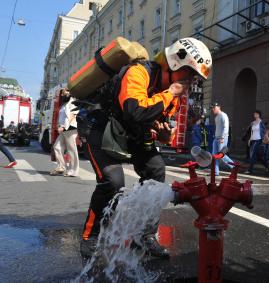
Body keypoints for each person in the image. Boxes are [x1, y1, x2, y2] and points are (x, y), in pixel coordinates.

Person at [79, 37, 212, 259]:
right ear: (175, 63)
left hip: (133, 134)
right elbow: (135, 110)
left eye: (194, 78)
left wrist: (163, 134)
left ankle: (144, 235)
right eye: (189, 75)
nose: (190, 82)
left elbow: (157, 122)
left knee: (156, 171)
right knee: (112, 182)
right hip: (102, 128)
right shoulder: (139, 73)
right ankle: (89, 237)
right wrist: (171, 92)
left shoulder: (176, 93)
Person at [50, 88, 80, 177]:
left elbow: (72, 115)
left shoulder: (73, 102)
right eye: (62, 93)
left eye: (65, 92)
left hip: (70, 128)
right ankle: (61, 167)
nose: (63, 94)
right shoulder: (64, 104)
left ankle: (73, 170)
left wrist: (63, 126)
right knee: (57, 147)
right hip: (64, 129)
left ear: (70, 93)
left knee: (72, 150)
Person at [211, 102, 234, 175]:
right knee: (214, 156)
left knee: (221, 155)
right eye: (212, 108)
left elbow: (226, 127)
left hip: (222, 138)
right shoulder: (216, 117)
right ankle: (215, 172)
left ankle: (234, 166)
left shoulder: (223, 115)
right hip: (216, 138)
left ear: (219, 107)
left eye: (214, 107)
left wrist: (223, 137)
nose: (213, 109)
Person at [245, 110, 269, 174]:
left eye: (255, 114)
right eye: (254, 114)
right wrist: (250, 139)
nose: (254, 115)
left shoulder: (261, 122)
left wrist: (266, 141)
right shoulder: (252, 123)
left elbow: (264, 132)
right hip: (253, 140)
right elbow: (251, 132)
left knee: (252, 154)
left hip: (259, 140)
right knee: (259, 157)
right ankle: (267, 166)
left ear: (258, 115)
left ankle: (250, 170)